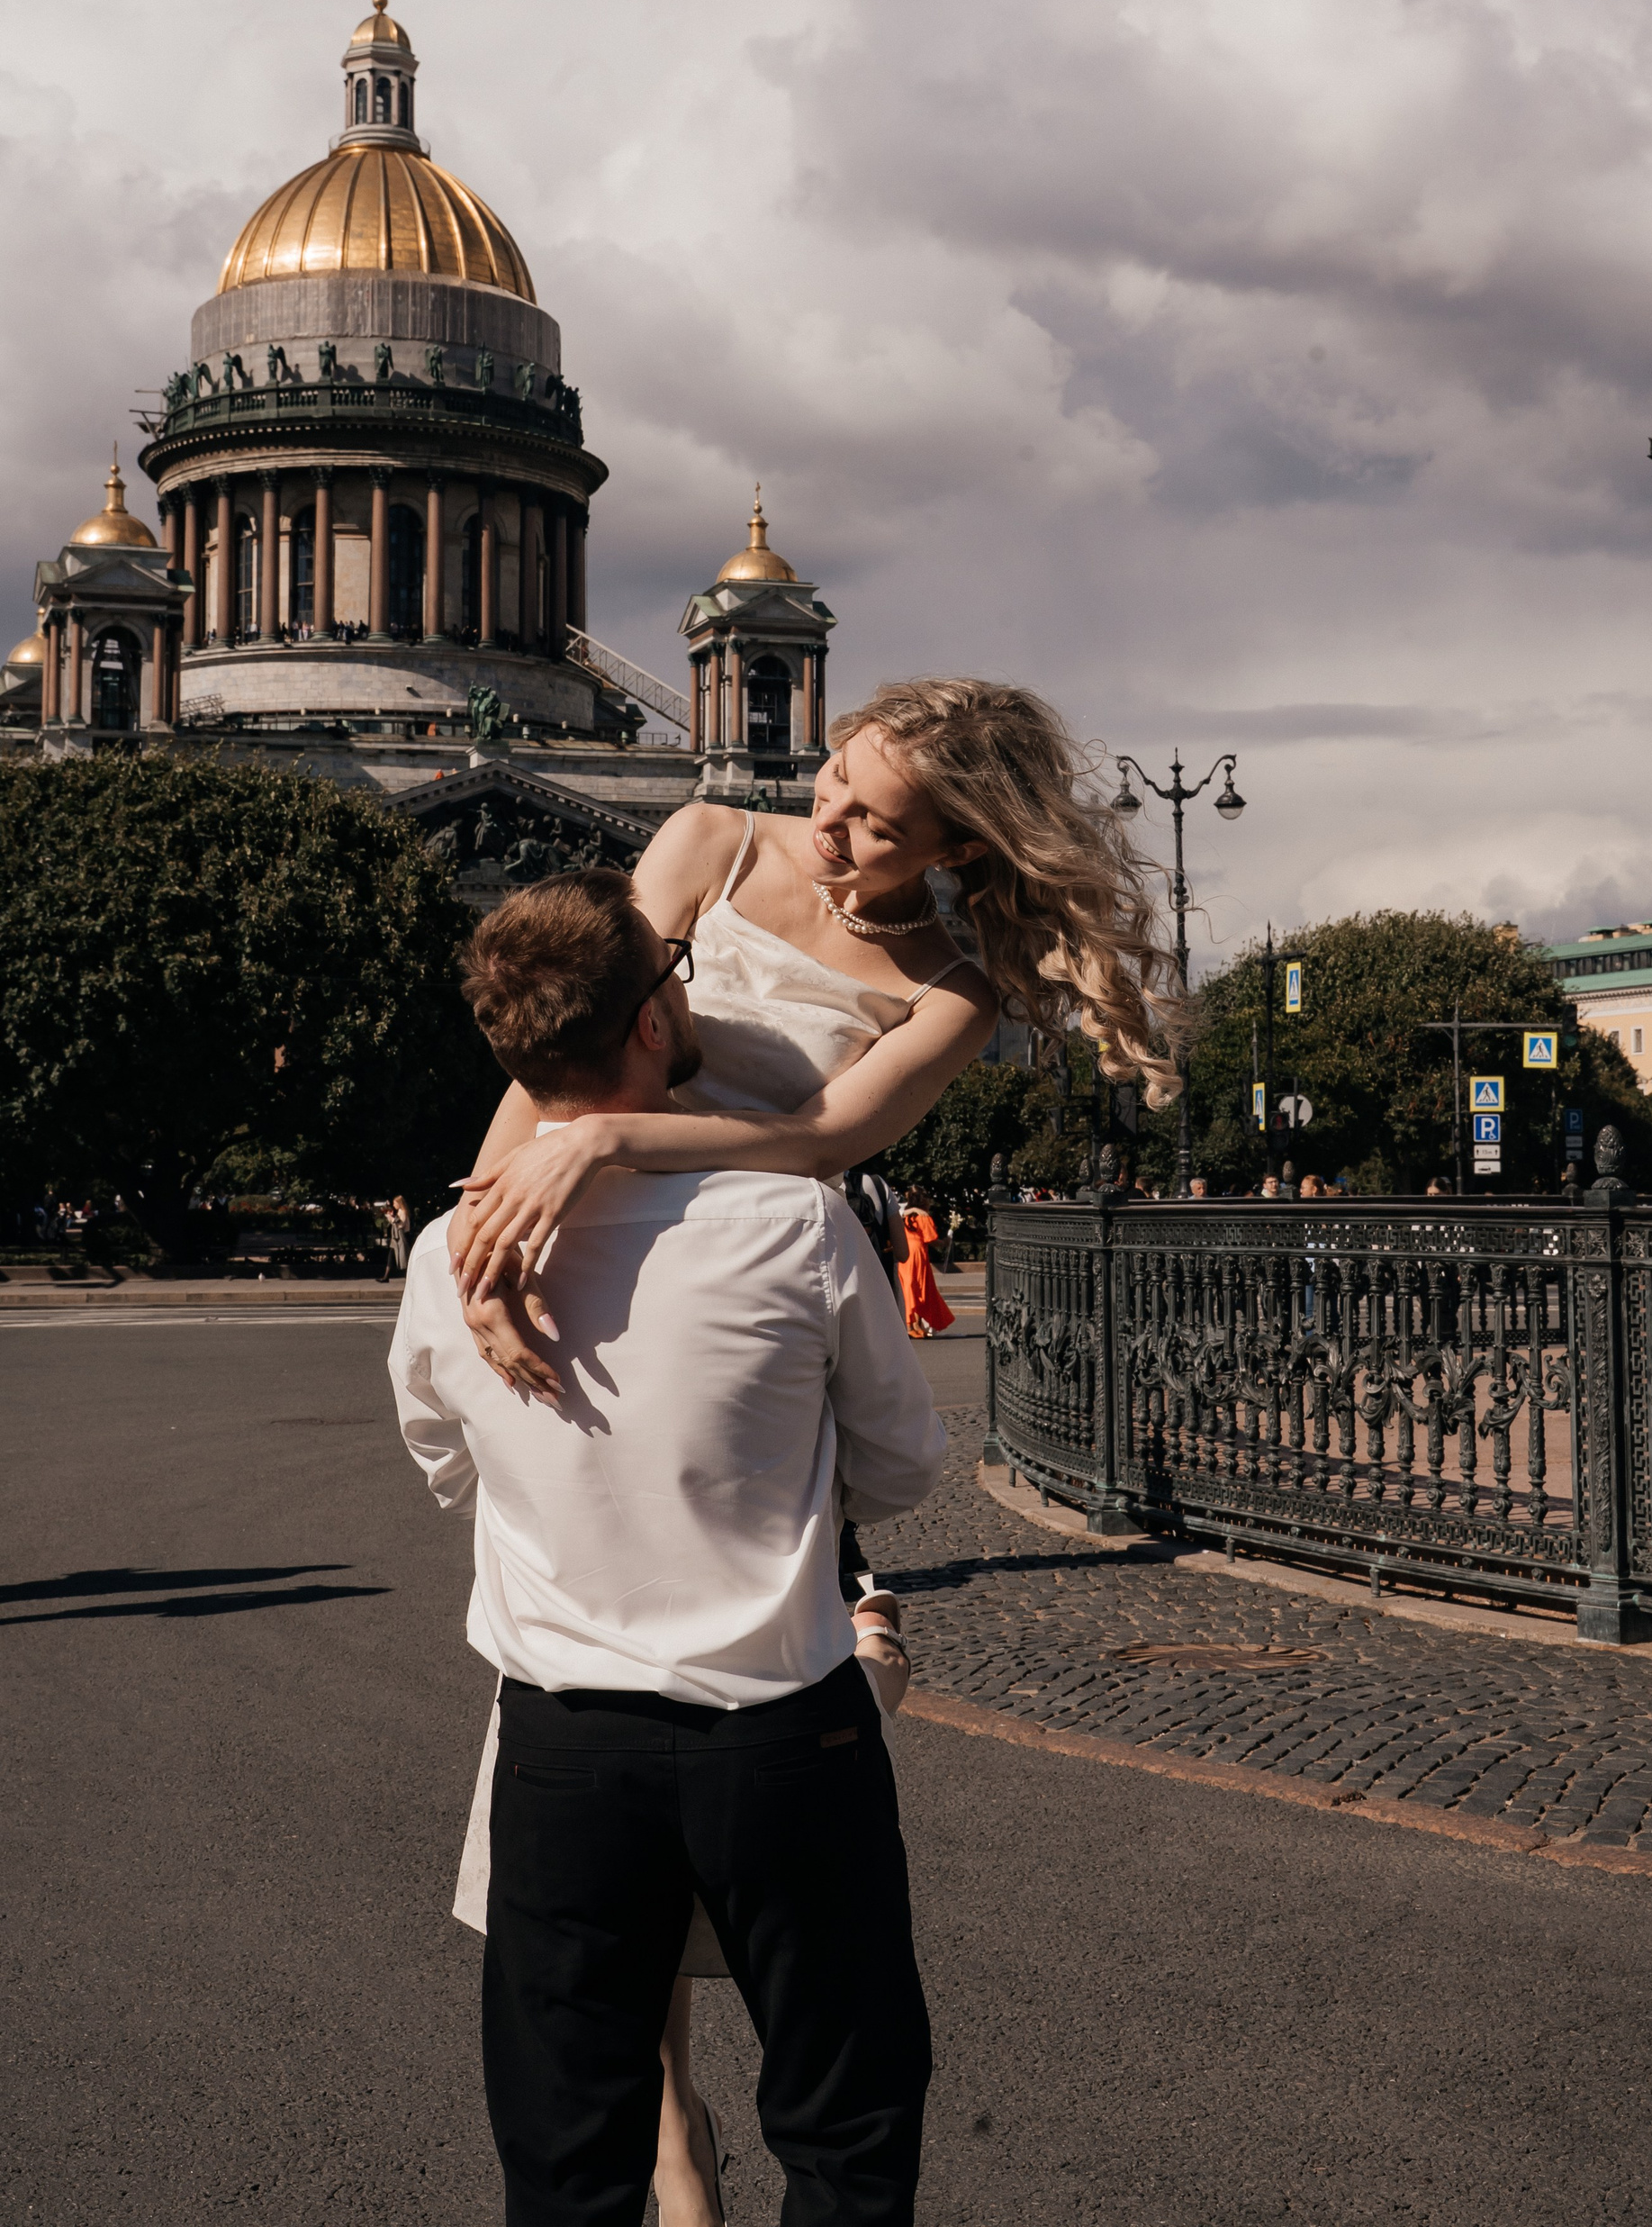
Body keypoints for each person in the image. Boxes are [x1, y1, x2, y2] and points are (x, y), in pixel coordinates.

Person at [445, 677, 1184, 2222]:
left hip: (751, 1287)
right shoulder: (709, 840)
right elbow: (568, 1047)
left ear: (959, 847)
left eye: (876, 823)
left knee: (690, 1727)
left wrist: (613, 1140)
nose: (829, 823)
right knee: (594, 1719)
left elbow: (823, 1145)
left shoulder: (958, 986)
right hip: (584, 1249)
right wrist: (483, 1240)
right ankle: (670, 2131)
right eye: (835, 782)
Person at [390, 871, 945, 2222]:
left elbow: (449, 1470)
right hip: (787, 1742)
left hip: (564, 1755)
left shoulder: (449, 1262)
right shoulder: (796, 1225)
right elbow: (901, 1470)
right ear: (650, 1022)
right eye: (676, 973)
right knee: (846, 2133)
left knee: (567, 2158)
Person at [896, 1184, 953, 1338]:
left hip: (904, 1253)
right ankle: (913, 1324)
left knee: (908, 1287)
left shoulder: (904, 1215)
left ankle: (913, 1324)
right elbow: (931, 1239)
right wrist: (945, 1242)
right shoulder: (923, 1216)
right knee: (920, 1288)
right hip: (918, 1254)